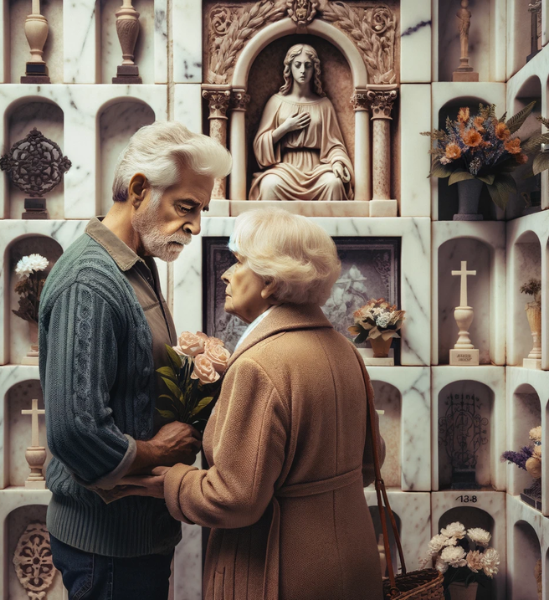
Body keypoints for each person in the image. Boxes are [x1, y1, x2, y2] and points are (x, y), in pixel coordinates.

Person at [118, 207, 386, 599]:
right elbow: (369, 463)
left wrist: (170, 482)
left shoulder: (261, 364)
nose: (226, 273)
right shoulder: (346, 351)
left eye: (238, 261)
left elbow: (235, 500)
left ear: (270, 280)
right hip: (354, 563)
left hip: (283, 571)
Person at [38, 121, 232, 600]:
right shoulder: (91, 280)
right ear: (140, 189)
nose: (196, 225)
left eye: (201, 210)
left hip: (134, 542)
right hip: (106, 548)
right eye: (187, 207)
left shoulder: (136, 266)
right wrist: (160, 452)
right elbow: (77, 430)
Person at [249, 43, 354, 201]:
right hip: (284, 169)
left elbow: (334, 145)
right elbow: (259, 146)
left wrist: (338, 163)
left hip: (317, 169)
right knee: (269, 184)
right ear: (289, 68)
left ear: (315, 69)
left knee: (334, 183)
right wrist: (285, 128)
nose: (303, 71)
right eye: (297, 65)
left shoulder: (323, 105)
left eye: (308, 66)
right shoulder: (276, 102)